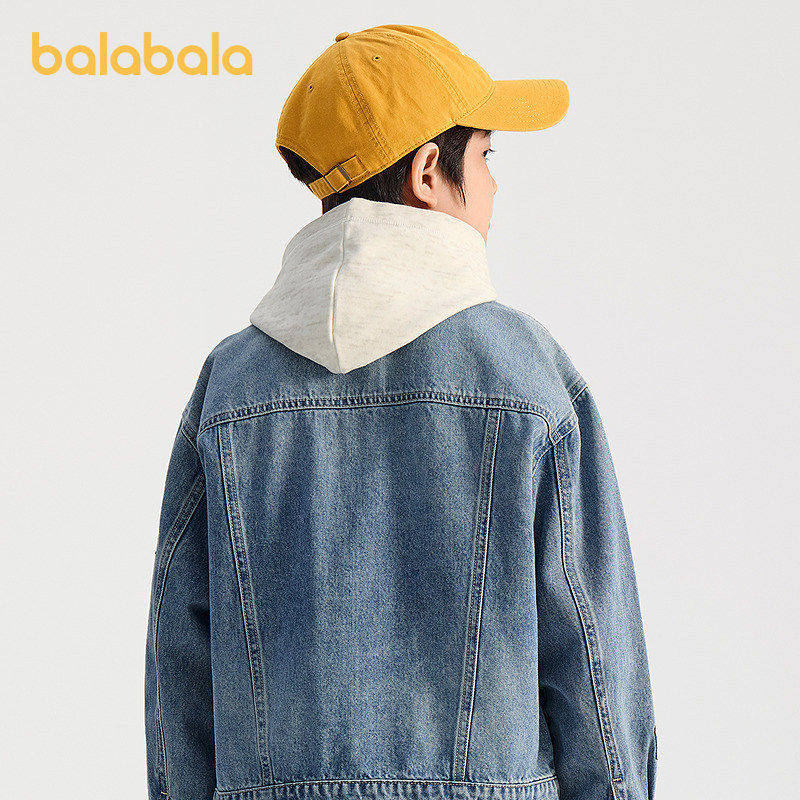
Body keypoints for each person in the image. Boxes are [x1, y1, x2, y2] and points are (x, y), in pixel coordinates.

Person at [144, 24, 657, 800]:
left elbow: (180, 665)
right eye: (486, 156)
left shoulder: (232, 386)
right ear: (427, 172)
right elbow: (592, 655)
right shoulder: (523, 372)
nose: (493, 186)